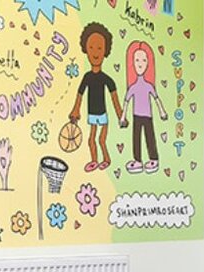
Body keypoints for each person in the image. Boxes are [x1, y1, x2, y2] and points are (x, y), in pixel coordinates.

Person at [69, 23, 123, 172]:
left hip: (102, 114)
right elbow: (80, 94)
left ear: (105, 51)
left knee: (101, 140)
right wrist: (75, 110)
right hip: (92, 114)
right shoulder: (87, 77)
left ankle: (106, 159)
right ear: (85, 49)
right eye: (91, 47)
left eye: (99, 48)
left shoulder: (107, 79)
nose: (95, 52)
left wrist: (120, 115)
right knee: (91, 139)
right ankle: (94, 160)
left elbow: (114, 99)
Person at [120, 41, 168, 174]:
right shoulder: (133, 87)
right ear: (132, 63)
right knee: (136, 137)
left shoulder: (148, 86)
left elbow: (156, 99)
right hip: (136, 115)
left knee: (149, 136)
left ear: (148, 63)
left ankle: (153, 158)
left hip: (147, 115)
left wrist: (162, 112)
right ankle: (137, 160)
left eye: (143, 60)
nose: (140, 63)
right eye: (137, 60)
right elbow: (126, 102)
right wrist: (123, 117)